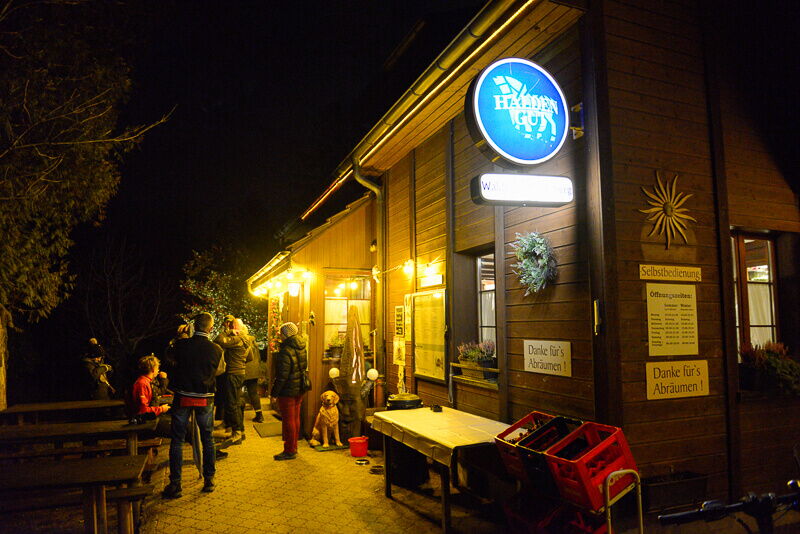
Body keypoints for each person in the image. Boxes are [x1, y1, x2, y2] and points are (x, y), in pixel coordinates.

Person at [162, 312, 224, 498]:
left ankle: (176, 484)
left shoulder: (181, 345)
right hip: (205, 396)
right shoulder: (217, 349)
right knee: (208, 439)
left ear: (193, 326)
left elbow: (169, 359)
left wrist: (179, 336)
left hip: (183, 395)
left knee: (177, 440)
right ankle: (209, 480)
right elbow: (220, 370)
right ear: (210, 328)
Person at [270, 322, 308, 461]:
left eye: (281, 333)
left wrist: (274, 394)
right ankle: (294, 447)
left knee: (288, 421)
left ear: (286, 334)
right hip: (299, 388)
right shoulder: (302, 346)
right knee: (295, 418)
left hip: (288, 390)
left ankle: (289, 450)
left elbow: (282, 375)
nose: (280, 336)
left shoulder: (285, 350)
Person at [214, 314, 252, 445]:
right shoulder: (246, 339)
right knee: (236, 402)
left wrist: (228, 332)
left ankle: (237, 433)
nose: (229, 327)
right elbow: (250, 357)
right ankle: (240, 430)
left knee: (232, 404)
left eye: (231, 325)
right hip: (240, 372)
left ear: (235, 327)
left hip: (233, 373)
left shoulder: (237, 339)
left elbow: (218, 340)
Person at [239, 321, 264, 423]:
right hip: (254, 371)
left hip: (243, 370)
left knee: (238, 394)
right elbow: (258, 357)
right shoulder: (253, 341)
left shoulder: (241, 341)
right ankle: (259, 415)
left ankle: (238, 417)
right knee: (253, 393)